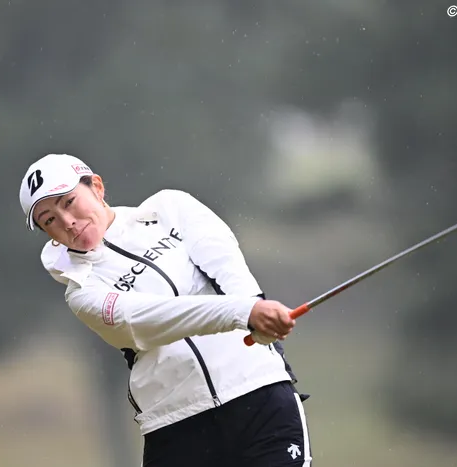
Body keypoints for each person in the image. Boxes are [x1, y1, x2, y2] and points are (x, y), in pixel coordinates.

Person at [19, 153, 313, 467]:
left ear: (97, 187)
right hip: (176, 426)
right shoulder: (82, 291)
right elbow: (152, 318)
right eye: (49, 220)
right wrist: (245, 312)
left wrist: (255, 307)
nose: (66, 222)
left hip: (259, 395)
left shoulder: (170, 208)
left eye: (68, 202)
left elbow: (230, 271)